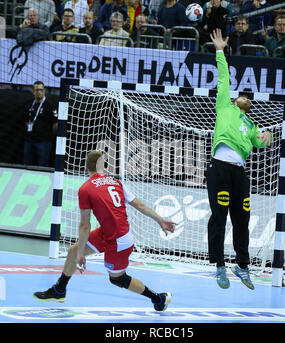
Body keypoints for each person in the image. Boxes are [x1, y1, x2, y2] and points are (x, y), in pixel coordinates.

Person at [33, 151, 176, 311]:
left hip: (119, 241)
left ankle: (158, 298)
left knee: (117, 279)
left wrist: (82, 253)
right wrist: (161, 220)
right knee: (73, 252)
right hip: (107, 233)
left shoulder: (85, 189)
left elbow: (85, 226)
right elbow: (140, 205)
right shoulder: (116, 183)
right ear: (104, 167)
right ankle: (59, 290)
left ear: (86, 167)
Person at [206, 29, 272, 290]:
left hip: (239, 173)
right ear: (235, 100)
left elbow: (260, 142)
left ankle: (242, 266)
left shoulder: (252, 125)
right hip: (220, 168)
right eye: (241, 94)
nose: (244, 96)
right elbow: (223, 77)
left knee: (242, 218)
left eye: (247, 96)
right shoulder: (225, 105)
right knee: (219, 217)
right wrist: (220, 50)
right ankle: (219, 266)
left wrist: (266, 135)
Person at [23, 81, 58, 167]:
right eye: (36, 90)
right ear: (33, 91)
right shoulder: (29, 104)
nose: (39, 92)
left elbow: (55, 124)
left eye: (41, 90)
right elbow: (26, 119)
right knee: (27, 165)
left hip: (44, 142)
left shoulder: (50, 105)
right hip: (29, 141)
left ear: (44, 91)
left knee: (42, 166)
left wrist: (48, 135)